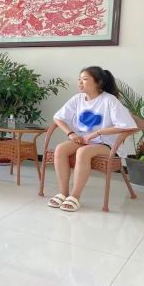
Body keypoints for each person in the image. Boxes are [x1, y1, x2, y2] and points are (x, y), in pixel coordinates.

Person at [48, 66, 137, 212]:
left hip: (106, 143)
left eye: (84, 79)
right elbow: (57, 118)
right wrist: (71, 134)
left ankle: (75, 197)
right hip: (83, 140)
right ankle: (63, 193)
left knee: (83, 152)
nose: (80, 82)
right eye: (79, 79)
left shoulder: (109, 100)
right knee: (60, 149)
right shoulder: (77, 99)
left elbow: (127, 125)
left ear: (98, 82)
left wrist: (97, 133)